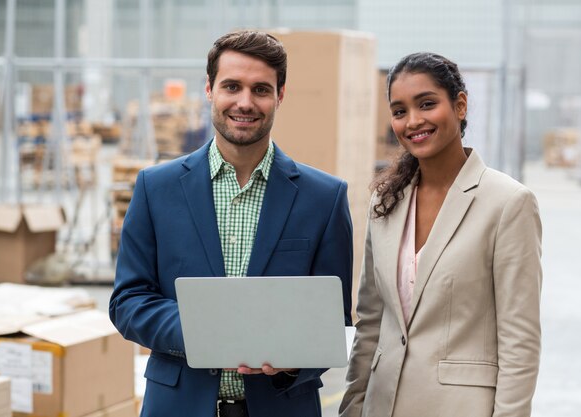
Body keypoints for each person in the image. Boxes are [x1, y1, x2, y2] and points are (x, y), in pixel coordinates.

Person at [109, 30, 353, 417]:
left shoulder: (324, 198)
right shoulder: (156, 188)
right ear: (209, 89)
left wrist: (294, 362)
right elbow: (128, 301)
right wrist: (210, 329)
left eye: (260, 89)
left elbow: (333, 320)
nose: (245, 102)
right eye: (231, 86)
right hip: (178, 406)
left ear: (280, 95)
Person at [339, 52, 542, 417]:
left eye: (427, 104)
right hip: (382, 405)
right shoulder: (386, 201)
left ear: (460, 105)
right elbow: (370, 322)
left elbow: (520, 341)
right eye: (400, 111)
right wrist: (352, 408)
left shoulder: (508, 203)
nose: (413, 121)